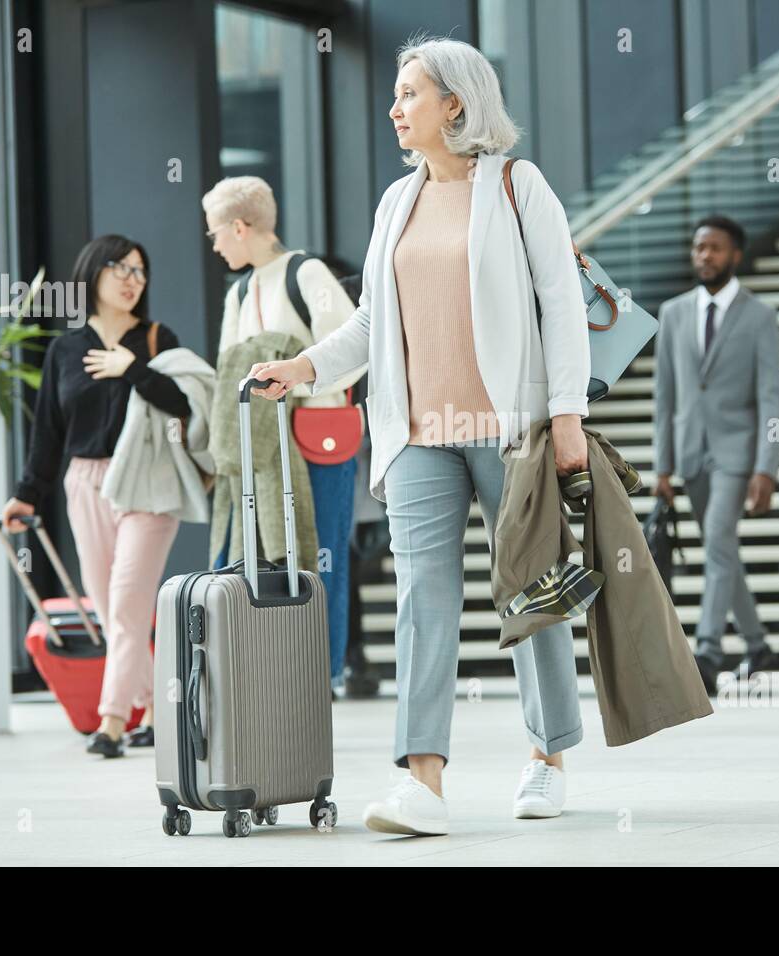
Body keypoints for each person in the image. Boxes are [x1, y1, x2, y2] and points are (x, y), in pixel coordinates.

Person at [242, 33, 591, 836]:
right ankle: (422, 780)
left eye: (410, 93)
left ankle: (547, 758)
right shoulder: (396, 203)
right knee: (421, 601)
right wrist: (305, 366)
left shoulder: (517, 187)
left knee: (529, 591)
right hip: (415, 434)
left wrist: (567, 414)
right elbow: (372, 321)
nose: (396, 108)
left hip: (509, 429)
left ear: (456, 104)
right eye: (397, 95)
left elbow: (562, 305)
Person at [1, 236, 191, 758]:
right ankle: (154, 708)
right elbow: (48, 432)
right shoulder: (65, 349)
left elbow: (183, 406)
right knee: (110, 607)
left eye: (140, 271)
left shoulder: (156, 339)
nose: (133, 280)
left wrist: (129, 369)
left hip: (147, 485)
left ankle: (110, 723)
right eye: (121, 268)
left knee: (128, 601)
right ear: (93, 274)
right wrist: (26, 495)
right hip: (84, 482)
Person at [203, 176, 363, 696]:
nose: (215, 244)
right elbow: (228, 375)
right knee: (267, 557)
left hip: (312, 440)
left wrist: (293, 381)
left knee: (321, 559)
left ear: (240, 227)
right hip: (263, 452)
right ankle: (280, 675)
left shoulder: (305, 271)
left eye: (216, 233)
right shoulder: (239, 289)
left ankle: (322, 677)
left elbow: (349, 355)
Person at [652, 215, 779, 692]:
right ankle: (759, 646)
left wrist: (767, 466)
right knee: (721, 548)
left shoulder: (760, 316)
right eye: (699, 248)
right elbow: (665, 395)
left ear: (735, 255)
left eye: (714, 248)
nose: (704, 256)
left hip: (736, 455)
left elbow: (773, 398)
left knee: (716, 541)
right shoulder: (673, 313)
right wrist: (662, 466)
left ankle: (707, 652)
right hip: (691, 454)